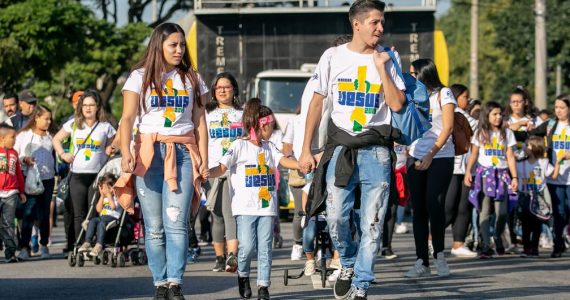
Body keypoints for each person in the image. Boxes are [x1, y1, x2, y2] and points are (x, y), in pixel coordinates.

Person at [298, 0, 406, 298]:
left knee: (372, 222)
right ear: (356, 24)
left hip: (377, 151)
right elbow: (317, 103)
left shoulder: (389, 56)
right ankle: (347, 261)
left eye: (382, 22)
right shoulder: (332, 56)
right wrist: (306, 149)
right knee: (336, 218)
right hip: (341, 150)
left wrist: (383, 69)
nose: (380, 28)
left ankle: (361, 284)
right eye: (375, 22)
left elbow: (397, 104)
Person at [117, 22, 209, 300]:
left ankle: (175, 282)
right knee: (154, 226)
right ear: (159, 45)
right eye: (174, 45)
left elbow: (200, 122)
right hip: (148, 153)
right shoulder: (139, 77)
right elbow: (127, 118)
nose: (180, 50)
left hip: (181, 153)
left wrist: (204, 159)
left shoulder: (192, 78)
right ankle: (159, 283)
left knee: (176, 222)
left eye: (182, 45)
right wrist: (125, 152)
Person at [208, 98, 299, 300]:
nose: (272, 129)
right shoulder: (238, 146)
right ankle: (243, 275)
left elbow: (283, 160)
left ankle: (263, 287)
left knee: (265, 248)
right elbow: (222, 168)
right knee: (247, 247)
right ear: (260, 125)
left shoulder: (270, 147)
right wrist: (207, 172)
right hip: (244, 208)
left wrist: (300, 164)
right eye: (270, 125)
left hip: (266, 208)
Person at [404, 59, 456, 278]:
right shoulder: (410, 95)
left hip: (440, 156)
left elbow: (449, 127)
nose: (410, 77)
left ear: (424, 74)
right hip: (415, 155)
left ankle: (439, 256)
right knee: (419, 210)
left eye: (413, 74)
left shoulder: (444, 94)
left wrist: (431, 154)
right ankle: (421, 261)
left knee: (434, 204)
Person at [52, 90, 116, 255]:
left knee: (93, 211)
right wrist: (63, 154)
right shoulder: (73, 124)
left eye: (91, 105)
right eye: (85, 105)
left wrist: (110, 149)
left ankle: (94, 243)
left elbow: (114, 144)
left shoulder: (105, 127)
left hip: (97, 177)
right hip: (77, 175)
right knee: (78, 213)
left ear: (97, 107)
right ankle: (80, 245)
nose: (87, 109)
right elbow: (56, 139)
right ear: (80, 107)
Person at [465, 101, 518, 259]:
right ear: (487, 115)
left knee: (502, 212)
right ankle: (486, 245)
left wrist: (514, 177)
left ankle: (497, 235)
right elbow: (474, 154)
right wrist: (469, 172)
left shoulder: (506, 133)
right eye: (494, 114)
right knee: (485, 211)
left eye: (500, 114)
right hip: (485, 175)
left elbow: (510, 156)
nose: (498, 117)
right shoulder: (480, 133)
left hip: (502, 175)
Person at [204, 72, 242, 272]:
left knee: (230, 213)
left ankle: (232, 257)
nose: (223, 91)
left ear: (234, 89)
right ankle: (219, 257)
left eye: (227, 87)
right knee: (216, 215)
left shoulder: (243, 113)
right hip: (212, 170)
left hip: (236, 171)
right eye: (219, 88)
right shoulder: (206, 114)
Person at [529, 93, 570, 258]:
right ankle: (558, 244)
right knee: (559, 212)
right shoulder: (551, 124)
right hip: (555, 176)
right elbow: (531, 134)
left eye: (562, 108)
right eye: (556, 107)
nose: (558, 111)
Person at [14, 105, 56, 260]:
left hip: (48, 179)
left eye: (50, 119)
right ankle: (25, 247)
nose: (49, 122)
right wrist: (24, 159)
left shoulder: (51, 136)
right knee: (28, 213)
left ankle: (44, 244)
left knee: (44, 213)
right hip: (28, 179)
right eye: (46, 118)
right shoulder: (23, 135)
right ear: (36, 118)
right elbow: (15, 155)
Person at [445, 84, 479, 258]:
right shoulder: (448, 114)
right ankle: (429, 238)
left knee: (463, 206)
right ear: (456, 97)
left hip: (467, 169)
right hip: (450, 166)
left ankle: (459, 243)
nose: (468, 100)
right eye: (465, 96)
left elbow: (476, 144)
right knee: (449, 206)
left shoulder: (470, 119)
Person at [516, 136, 561, 258]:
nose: (525, 147)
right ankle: (526, 248)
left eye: (528, 145)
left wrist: (557, 162)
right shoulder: (520, 162)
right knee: (525, 223)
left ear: (535, 148)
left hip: (539, 196)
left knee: (537, 223)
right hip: (524, 195)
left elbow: (553, 176)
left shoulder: (543, 162)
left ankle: (534, 248)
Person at [78, 173, 122, 257]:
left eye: (106, 188)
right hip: (102, 217)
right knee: (92, 221)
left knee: (101, 223)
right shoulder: (103, 197)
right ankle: (87, 242)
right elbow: (98, 209)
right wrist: (102, 196)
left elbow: (113, 207)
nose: (104, 191)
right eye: (102, 188)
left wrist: (109, 195)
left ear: (112, 187)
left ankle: (99, 244)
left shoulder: (117, 197)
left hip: (112, 217)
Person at [0, 124, 26, 263]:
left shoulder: (14, 153)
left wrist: (21, 191)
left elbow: (18, 174)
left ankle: (10, 253)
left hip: (11, 193)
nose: (15, 139)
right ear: (2, 138)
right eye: (12, 137)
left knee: (8, 223)